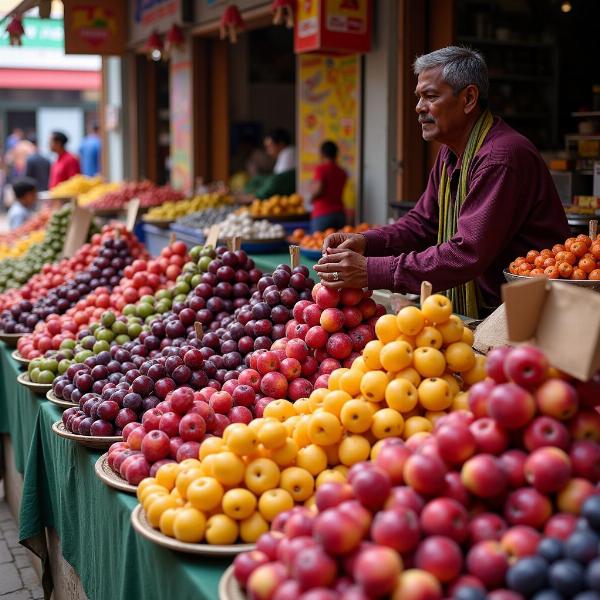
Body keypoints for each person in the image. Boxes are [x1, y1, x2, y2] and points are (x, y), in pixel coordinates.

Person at [314, 46, 570, 318]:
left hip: (525, 313)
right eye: (419, 97)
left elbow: (466, 254)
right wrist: (366, 242)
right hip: (496, 309)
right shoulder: (450, 153)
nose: (419, 107)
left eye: (431, 96)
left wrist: (371, 270)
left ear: (469, 98)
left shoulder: (501, 157)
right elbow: (423, 224)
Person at [310, 140, 348, 233]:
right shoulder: (342, 171)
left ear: (322, 154)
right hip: (340, 214)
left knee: (318, 243)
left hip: (322, 213)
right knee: (339, 245)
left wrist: (312, 198)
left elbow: (319, 190)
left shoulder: (321, 169)